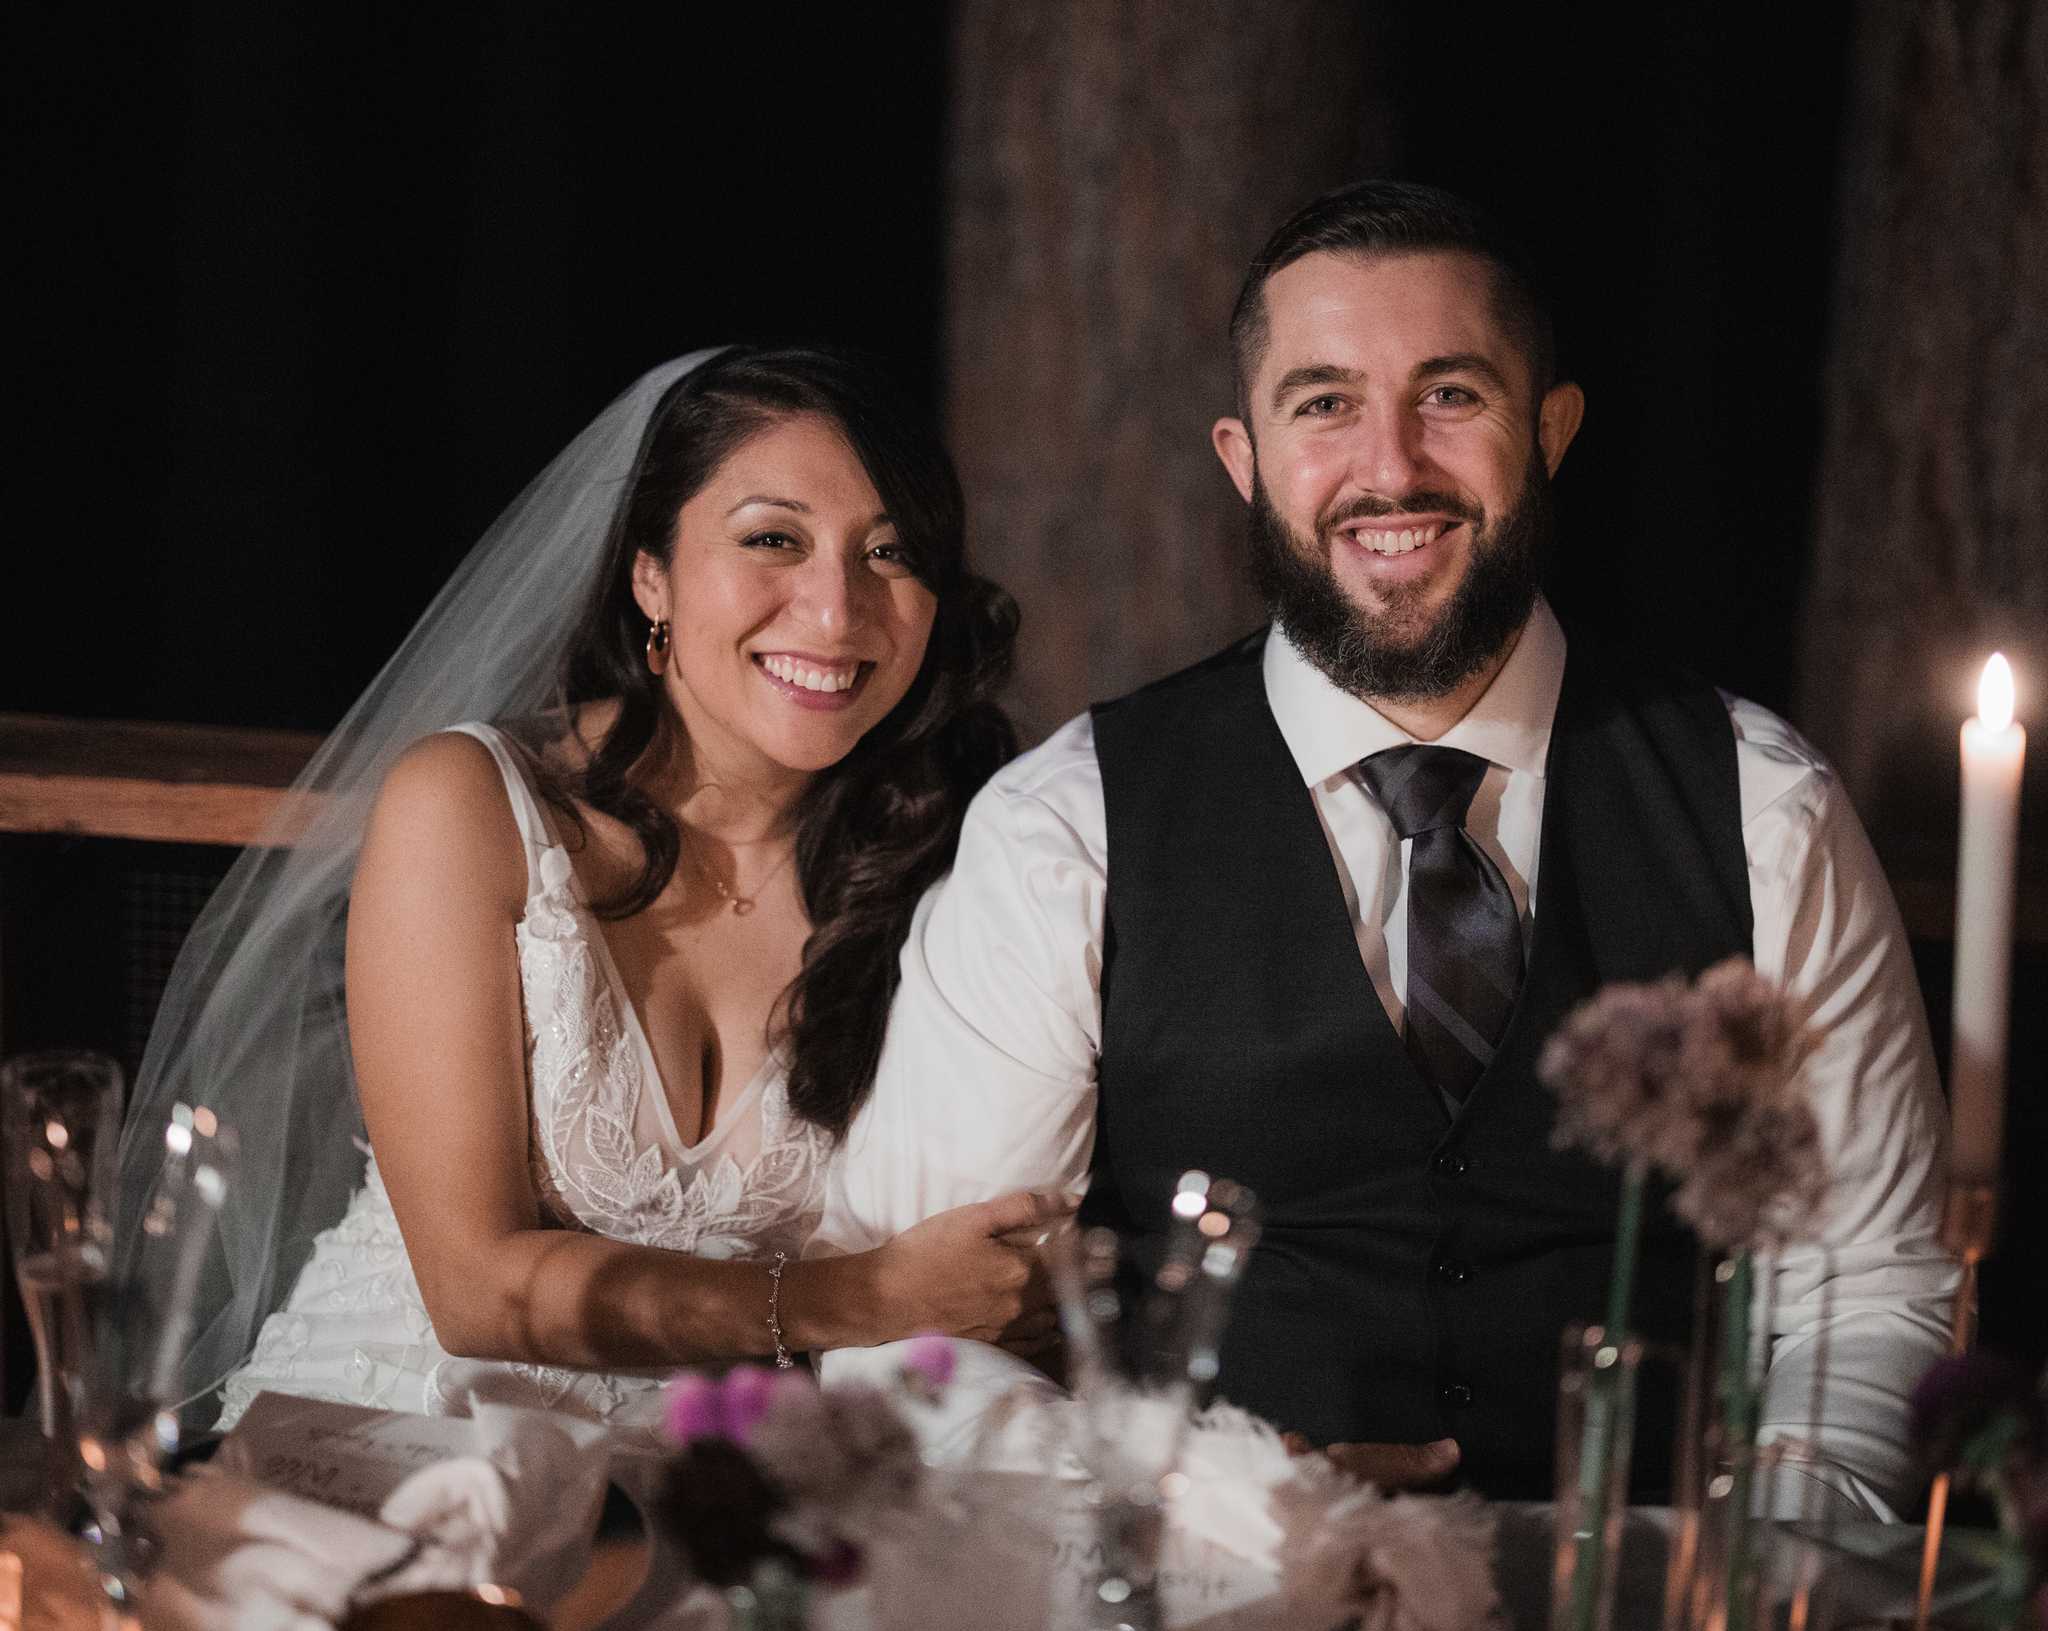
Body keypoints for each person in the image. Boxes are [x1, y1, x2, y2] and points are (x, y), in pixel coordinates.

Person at [820, 182, 1955, 1517]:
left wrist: (1750, 1565)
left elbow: (1869, 1282)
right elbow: (914, 1343)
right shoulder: (1064, 828)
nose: (1393, 464)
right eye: (1326, 404)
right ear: (1244, 458)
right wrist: (1214, 1510)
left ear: (1552, 429)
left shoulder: (1767, 808)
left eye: (1453, 395)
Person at [115, 345, 1062, 1431]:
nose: (837, 608)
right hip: (402, 1423)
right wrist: (858, 1300)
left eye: (888, 552)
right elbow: (474, 1291)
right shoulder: (470, 807)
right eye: (772, 540)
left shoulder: (952, 853)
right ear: (649, 573)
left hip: (724, 1486)